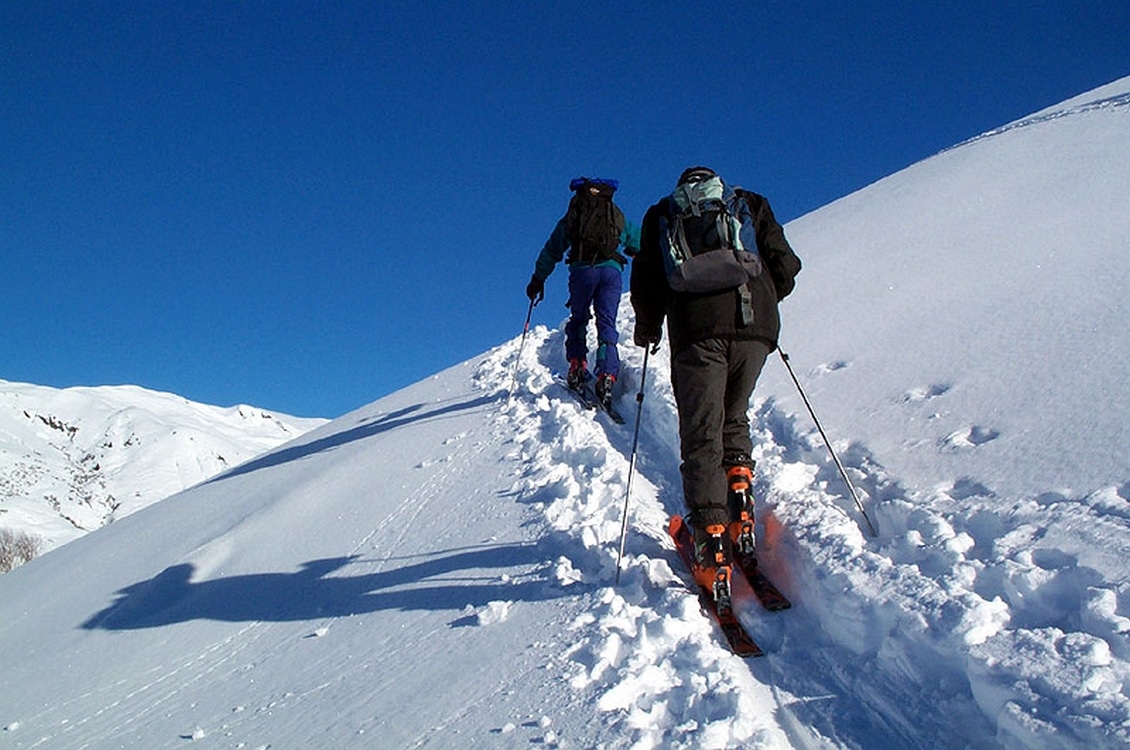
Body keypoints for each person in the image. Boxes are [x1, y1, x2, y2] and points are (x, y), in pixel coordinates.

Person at [630, 166, 802, 595]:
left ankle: (713, 546)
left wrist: (648, 330)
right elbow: (786, 264)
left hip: (696, 333)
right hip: (756, 328)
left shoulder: (662, 215)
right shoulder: (749, 202)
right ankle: (740, 499)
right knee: (733, 414)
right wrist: (763, 299)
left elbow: (647, 282)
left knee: (701, 431)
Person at [526, 177, 640, 408]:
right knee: (607, 322)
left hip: (583, 272)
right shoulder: (614, 213)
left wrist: (538, 279)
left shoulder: (573, 215)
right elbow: (638, 242)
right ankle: (606, 375)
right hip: (611, 272)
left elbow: (552, 249)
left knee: (579, 319)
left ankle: (577, 366)